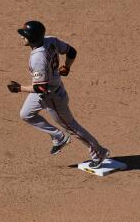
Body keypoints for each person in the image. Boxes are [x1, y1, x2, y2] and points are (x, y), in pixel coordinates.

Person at [7, 20, 110, 168]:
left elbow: (40, 88)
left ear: (33, 38)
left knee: (72, 127)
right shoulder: (51, 40)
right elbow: (71, 51)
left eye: (25, 35)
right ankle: (58, 137)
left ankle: (98, 152)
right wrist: (67, 67)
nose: (21, 37)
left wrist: (19, 88)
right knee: (26, 114)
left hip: (52, 97)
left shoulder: (38, 58)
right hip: (48, 88)